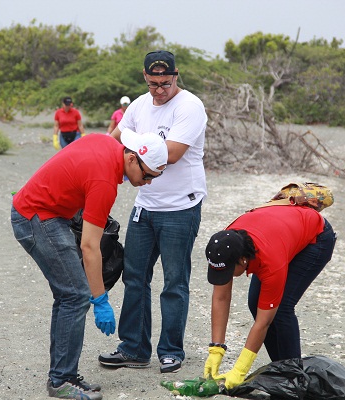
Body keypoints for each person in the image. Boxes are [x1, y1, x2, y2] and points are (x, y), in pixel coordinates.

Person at [11, 129, 168, 399]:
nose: (149, 182)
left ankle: (62, 375)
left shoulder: (107, 142)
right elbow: (89, 247)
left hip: (44, 212)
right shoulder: (105, 182)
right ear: (132, 159)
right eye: (148, 175)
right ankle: (61, 381)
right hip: (36, 218)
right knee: (75, 295)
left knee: (68, 295)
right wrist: (100, 300)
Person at [98, 50, 208, 374]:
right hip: (145, 205)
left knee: (174, 281)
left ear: (176, 75)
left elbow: (169, 154)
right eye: (153, 83)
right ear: (144, 77)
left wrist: (132, 145)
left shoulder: (190, 106)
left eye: (165, 82)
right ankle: (133, 347)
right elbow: (111, 144)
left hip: (180, 207)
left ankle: (171, 350)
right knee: (134, 276)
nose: (160, 90)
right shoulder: (138, 106)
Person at [202, 205, 337, 390]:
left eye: (227, 272)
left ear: (243, 260)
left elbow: (263, 322)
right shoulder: (224, 246)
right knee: (255, 303)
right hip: (279, 233)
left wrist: (240, 371)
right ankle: (282, 369)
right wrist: (216, 349)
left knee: (280, 308)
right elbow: (220, 298)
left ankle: (294, 377)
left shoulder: (270, 262)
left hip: (316, 238)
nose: (224, 277)